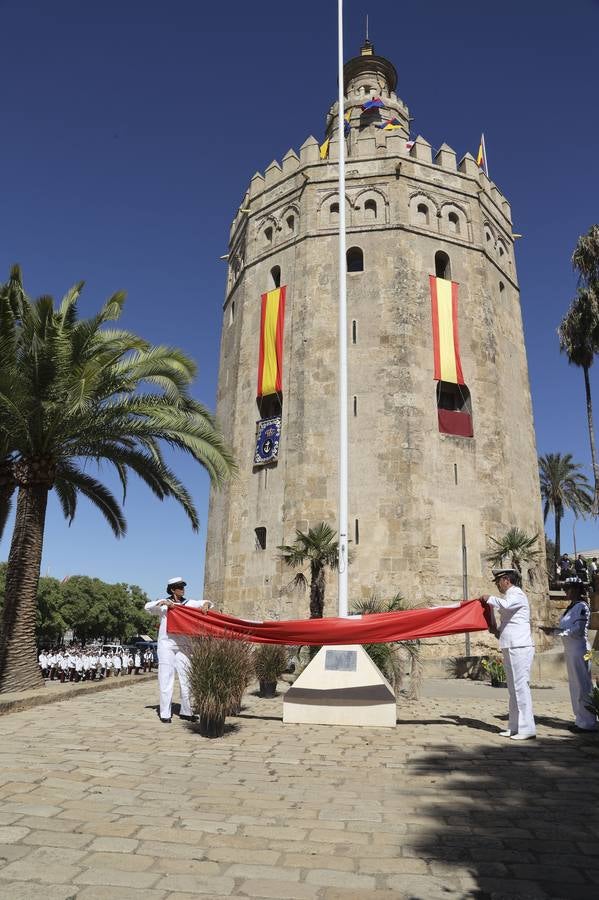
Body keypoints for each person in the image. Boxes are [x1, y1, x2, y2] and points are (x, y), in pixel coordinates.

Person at [144, 576, 212, 723]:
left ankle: (186, 711)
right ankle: (165, 713)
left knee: (187, 678)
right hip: (166, 645)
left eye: (183, 587)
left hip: (184, 645)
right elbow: (147, 607)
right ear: (173, 589)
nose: (182, 589)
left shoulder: (188, 604)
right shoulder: (164, 606)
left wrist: (206, 604)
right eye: (179, 587)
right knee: (166, 678)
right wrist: (162, 602)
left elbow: (205, 603)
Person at [480, 569, 536, 741]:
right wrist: (495, 628)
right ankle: (514, 726)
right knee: (513, 689)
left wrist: (488, 598)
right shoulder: (507, 597)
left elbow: (505, 606)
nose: (497, 584)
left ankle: (527, 729)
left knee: (520, 688)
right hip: (510, 645)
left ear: (506, 580)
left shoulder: (517, 594)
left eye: (498, 581)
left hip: (520, 646)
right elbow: (507, 622)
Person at [558, 577, 598, 732]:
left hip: (580, 650)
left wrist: (558, 632)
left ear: (575, 590)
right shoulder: (571, 607)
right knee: (575, 686)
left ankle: (588, 721)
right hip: (570, 650)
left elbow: (579, 630)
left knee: (583, 685)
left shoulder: (582, 606)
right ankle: (580, 719)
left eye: (568, 589)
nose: (566, 592)